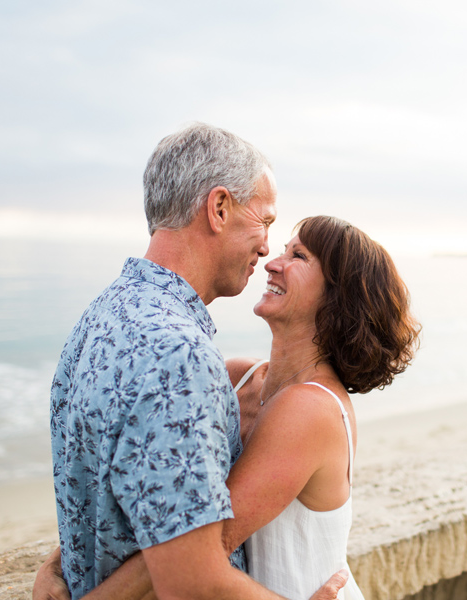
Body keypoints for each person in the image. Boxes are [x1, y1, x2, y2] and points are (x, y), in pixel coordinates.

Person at [36, 216, 420, 599]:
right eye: (284, 250)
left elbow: (196, 546)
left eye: (298, 256)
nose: (272, 262)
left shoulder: (311, 409)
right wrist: (58, 562)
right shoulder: (238, 376)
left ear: (338, 297)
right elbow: (158, 492)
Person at [40, 122, 347, 600]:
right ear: (219, 208)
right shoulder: (179, 354)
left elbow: (102, 491)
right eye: (264, 221)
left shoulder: (98, 317)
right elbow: (192, 583)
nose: (267, 247)